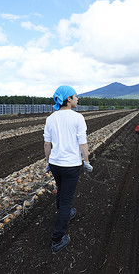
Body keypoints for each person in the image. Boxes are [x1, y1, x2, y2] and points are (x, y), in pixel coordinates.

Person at [44, 85, 93, 253]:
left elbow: (47, 143)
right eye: (75, 96)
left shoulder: (51, 118)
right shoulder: (78, 118)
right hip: (71, 165)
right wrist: (86, 161)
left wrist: (48, 162)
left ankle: (65, 213)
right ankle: (57, 240)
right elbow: (83, 142)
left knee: (61, 189)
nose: (77, 99)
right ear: (68, 99)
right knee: (66, 200)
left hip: (56, 164)